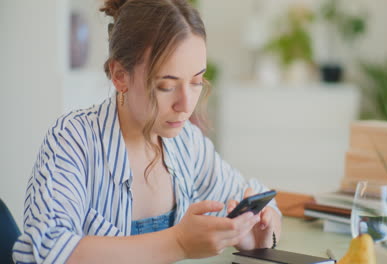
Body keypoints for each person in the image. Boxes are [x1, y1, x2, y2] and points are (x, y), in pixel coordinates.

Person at [12, 0, 282, 263]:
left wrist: (261, 233)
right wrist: (179, 243)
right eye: (166, 85)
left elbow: (257, 198)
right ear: (120, 76)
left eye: (197, 81)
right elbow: (51, 249)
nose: (186, 105)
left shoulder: (187, 143)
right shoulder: (73, 140)